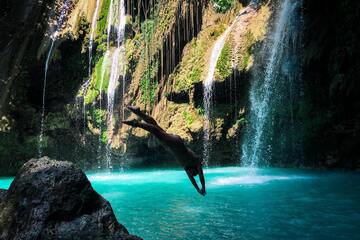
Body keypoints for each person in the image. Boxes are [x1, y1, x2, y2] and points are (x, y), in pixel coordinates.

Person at [122, 106, 206, 196]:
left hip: (173, 144)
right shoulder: (195, 161)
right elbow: (201, 176)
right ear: (194, 170)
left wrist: (198, 189)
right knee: (155, 131)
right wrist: (203, 187)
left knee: (155, 126)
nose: (190, 174)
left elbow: (192, 180)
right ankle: (136, 123)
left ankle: (139, 112)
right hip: (175, 144)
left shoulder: (186, 166)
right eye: (193, 173)